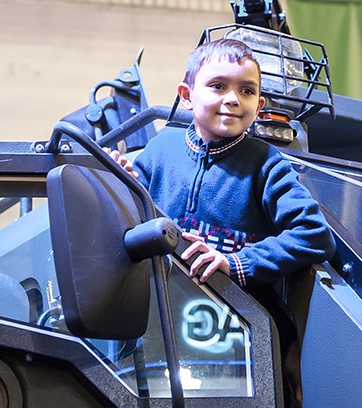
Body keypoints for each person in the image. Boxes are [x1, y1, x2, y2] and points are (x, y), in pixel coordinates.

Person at [111, 36, 335, 288]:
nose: (233, 99)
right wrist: (117, 183)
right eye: (218, 86)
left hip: (228, 306)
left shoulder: (268, 165)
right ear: (186, 95)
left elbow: (315, 234)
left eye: (247, 91)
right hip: (156, 295)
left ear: (258, 106)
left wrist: (237, 262)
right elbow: (125, 222)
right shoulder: (159, 150)